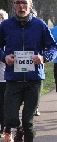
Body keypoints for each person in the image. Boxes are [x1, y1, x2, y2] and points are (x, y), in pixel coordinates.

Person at [0, 0, 57, 142]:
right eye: (18, 3)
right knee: (10, 119)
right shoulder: (5, 26)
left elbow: (53, 47)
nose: (21, 6)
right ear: (13, 6)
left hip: (34, 80)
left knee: (28, 121)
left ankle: (25, 131)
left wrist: (43, 57)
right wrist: (4, 57)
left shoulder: (39, 25)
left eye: (24, 3)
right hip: (13, 79)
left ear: (30, 5)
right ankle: (17, 127)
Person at [0, 9, 8, 138]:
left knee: (4, 104)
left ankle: (4, 127)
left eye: (1, 17)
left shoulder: (9, 35)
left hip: (5, 77)